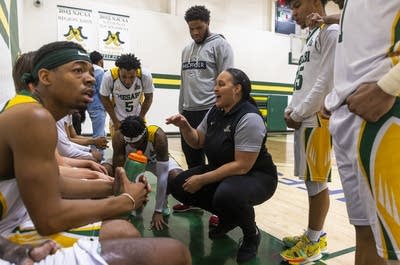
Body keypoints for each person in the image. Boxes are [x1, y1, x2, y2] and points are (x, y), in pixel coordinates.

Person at [0, 41, 191, 265]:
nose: (90, 78)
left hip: (15, 222)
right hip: (9, 235)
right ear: (44, 77)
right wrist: (126, 200)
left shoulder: (28, 111)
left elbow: (51, 182)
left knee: (123, 229)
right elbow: (49, 218)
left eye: (91, 72)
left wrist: (114, 186)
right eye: (78, 70)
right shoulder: (33, 117)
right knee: (173, 253)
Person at [167, 68, 277, 263]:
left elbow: (242, 166)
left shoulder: (249, 118)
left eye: (221, 84)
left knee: (227, 195)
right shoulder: (214, 111)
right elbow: (197, 141)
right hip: (225, 173)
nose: (214, 88)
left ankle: (251, 235)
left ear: (237, 89)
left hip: (256, 176)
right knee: (178, 184)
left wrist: (202, 179)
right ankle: (229, 218)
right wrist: (184, 125)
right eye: (215, 83)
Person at [324, 1, 400, 264]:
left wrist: (390, 86)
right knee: (366, 233)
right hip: (349, 116)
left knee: (395, 247)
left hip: (385, 111)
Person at [280, 0, 339, 264]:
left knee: (317, 181)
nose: (293, 14)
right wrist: (292, 107)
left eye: (297, 6)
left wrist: (300, 111)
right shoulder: (314, 34)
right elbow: (305, 78)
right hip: (305, 115)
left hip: (317, 118)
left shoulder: (331, 32)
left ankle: (315, 241)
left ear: (316, 2)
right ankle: (313, 233)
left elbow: (326, 80)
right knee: (310, 181)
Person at [175, 4, 234, 215]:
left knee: (216, 163)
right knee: (192, 159)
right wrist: (181, 109)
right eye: (191, 29)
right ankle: (192, 200)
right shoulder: (186, 50)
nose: (195, 33)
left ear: (208, 23)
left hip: (211, 110)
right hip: (188, 111)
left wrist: (222, 110)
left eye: (199, 28)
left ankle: (220, 208)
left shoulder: (220, 45)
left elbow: (227, 80)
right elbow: (184, 82)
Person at [112, 115, 183, 230]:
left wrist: (158, 211)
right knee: (109, 169)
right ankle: (129, 204)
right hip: (132, 163)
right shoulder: (119, 137)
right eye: (130, 143)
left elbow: (163, 175)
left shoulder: (157, 136)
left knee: (176, 177)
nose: (133, 146)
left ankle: (164, 202)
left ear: (144, 134)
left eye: (136, 142)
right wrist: (121, 207)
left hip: (155, 162)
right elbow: (119, 172)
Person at [100, 53, 154, 133]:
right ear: (119, 70)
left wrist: (141, 117)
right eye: (124, 77)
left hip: (137, 117)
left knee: (140, 144)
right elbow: (104, 98)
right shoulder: (109, 76)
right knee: (118, 144)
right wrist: (115, 121)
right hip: (117, 119)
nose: (128, 81)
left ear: (137, 71)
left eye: (132, 77)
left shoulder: (145, 76)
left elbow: (149, 97)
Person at [87, 51, 107, 157]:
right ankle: (97, 157)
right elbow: (102, 92)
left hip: (91, 105)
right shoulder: (100, 71)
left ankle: (97, 155)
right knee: (99, 134)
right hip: (99, 105)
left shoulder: (90, 70)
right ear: (100, 61)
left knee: (98, 131)